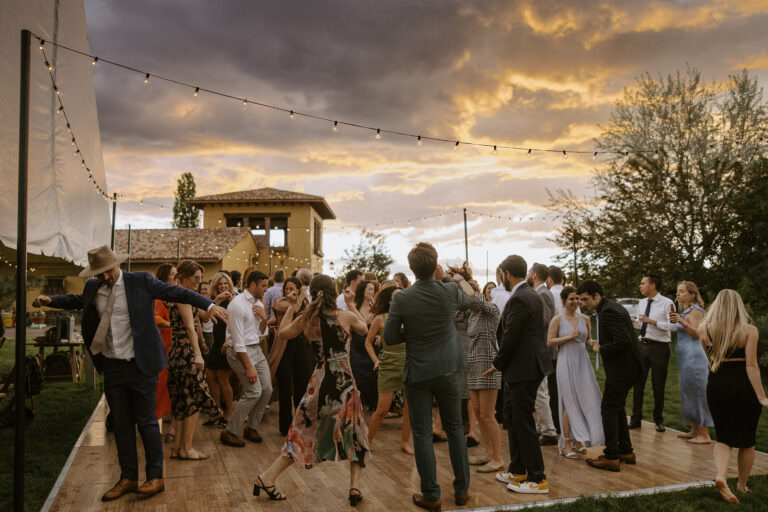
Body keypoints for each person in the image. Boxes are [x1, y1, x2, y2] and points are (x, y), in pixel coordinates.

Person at [34, 246, 227, 501]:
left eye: (106, 271)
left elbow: (176, 291)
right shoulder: (94, 286)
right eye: (98, 273)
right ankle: (128, 478)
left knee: (147, 422)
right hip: (112, 365)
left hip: (141, 364)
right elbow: (77, 300)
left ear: (117, 265)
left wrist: (209, 303)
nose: (104, 277)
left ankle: (155, 477)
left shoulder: (141, 281)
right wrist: (51, 301)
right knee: (122, 424)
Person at [254, 274, 369, 507]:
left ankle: (267, 477)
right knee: (355, 432)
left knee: (301, 433)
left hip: (319, 382)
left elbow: (284, 332)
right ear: (333, 290)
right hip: (343, 383)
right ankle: (354, 487)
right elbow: (364, 328)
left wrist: (294, 308)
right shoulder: (344, 316)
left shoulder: (307, 319)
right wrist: (352, 305)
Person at [385, 243, 481, 510]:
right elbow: (471, 296)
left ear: (412, 268)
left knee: (423, 433)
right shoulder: (449, 290)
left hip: (418, 372)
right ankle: (462, 491)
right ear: (435, 265)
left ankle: (431, 495)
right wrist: (447, 278)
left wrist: (412, 333)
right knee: (455, 429)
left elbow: (390, 338)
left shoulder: (402, 298)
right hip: (449, 369)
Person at [484, 255, 552, 495]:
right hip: (523, 366)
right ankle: (518, 469)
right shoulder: (529, 294)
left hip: (524, 367)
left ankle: (537, 477)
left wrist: (497, 363)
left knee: (523, 421)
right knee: (512, 416)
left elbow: (511, 335)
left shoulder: (521, 298)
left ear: (506, 273)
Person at [698, 289, 768, 504]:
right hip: (743, 386)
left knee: (723, 437)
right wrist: (762, 396)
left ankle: (720, 476)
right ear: (739, 306)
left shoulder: (704, 329)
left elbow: (711, 362)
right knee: (747, 440)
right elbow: (752, 366)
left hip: (717, 385)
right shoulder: (749, 331)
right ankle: (742, 484)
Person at [577, 280, 643, 472]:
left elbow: (622, 341)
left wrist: (601, 348)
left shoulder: (608, 312)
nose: (583, 303)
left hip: (624, 368)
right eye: (581, 300)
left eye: (586, 299)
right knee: (617, 407)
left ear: (597, 295)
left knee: (608, 408)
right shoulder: (612, 307)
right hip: (630, 367)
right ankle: (625, 451)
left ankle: (612, 456)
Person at [167, 260, 224, 460]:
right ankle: (187, 448)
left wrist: (215, 302)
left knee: (183, 401)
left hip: (179, 351)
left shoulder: (183, 296)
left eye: (200, 279)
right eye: (196, 279)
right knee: (193, 399)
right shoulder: (182, 297)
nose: (198, 283)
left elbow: (204, 316)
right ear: (184, 278)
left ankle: (178, 448)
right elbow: (191, 328)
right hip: (186, 351)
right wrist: (198, 353)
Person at [547, 286, 604, 458]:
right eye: (572, 299)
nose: (575, 302)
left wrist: (594, 343)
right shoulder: (557, 319)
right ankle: (566, 444)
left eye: (578, 299)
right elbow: (550, 342)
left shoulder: (585, 318)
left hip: (582, 362)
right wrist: (568, 337)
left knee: (586, 399)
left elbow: (587, 339)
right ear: (564, 300)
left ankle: (582, 440)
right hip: (565, 361)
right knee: (569, 401)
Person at [220, 270, 272, 447]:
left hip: (256, 349)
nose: (266, 289)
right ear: (252, 285)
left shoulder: (259, 303)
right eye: (263, 286)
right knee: (253, 391)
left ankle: (251, 427)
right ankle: (230, 431)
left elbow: (261, 335)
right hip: (238, 352)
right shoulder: (237, 305)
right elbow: (238, 341)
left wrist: (264, 319)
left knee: (267, 389)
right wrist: (248, 366)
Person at [364, 285, 412, 454]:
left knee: (409, 407)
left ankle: (405, 442)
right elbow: (367, 342)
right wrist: (376, 360)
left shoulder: (409, 317)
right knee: (382, 409)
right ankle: (367, 442)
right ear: (390, 300)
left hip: (408, 364)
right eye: (397, 296)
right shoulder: (380, 319)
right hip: (388, 366)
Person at [465, 280, 503, 473]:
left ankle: (497, 458)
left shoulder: (491, 310)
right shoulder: (471, 315)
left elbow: (477, 300)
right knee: (479, 414)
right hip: (472, 366)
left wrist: (459, 279)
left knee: (488, 415)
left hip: (488, 364)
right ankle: (488, 454)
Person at [268, 276, 314, 435]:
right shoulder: (280, 302)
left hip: (302, 348)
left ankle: (300, 424)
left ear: (298, 289)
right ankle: (285, 427)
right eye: (286, 289)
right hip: (284, 350)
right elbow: (289, 307)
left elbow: (307, 312)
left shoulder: (306, 303)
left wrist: (301, 298)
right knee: (285, 388)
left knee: (302, 387)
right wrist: (298, 298)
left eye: (291, 289)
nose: (288, 292)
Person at [669, 281, 713, 444]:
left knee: (698, 393)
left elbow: (697, 334)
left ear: (692, 294)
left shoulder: (695, 311)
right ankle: (694, 430)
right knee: (689, 392)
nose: (678, 295)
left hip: (695, 358)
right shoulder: (687, 311)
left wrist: (681, 321)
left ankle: (704, 434)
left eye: (681, 291)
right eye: (677, 291)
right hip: (686, 357)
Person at [630, 274, 675, 432]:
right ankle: (636, 419)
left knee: (658, 385)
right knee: (638, 384)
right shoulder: (641, 303)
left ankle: (658, 420)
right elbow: (641, 325)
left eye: (643, 283)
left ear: (653, 285)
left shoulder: (667, 303)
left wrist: (653, 321)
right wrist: (633, 322)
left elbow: (673, 327)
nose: (640, 286)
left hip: (659, 348)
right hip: (642, 346)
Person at [529, 263, 558, 444]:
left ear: (534, 275)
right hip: (539, 348)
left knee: (541, 390)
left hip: (542, 348)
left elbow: (545, 319)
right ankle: (542, 427)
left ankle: (548, 431)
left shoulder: (543, 294)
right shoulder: (541, 293)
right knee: (539, 390)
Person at [205, 272, 236, 424]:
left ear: (229, 285)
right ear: (216, 287)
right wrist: (216, 300)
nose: (223, 286)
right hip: (217, 342)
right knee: (210, 376)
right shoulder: (213, 301)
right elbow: (206, 317)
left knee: (223, 378)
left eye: (225, 284)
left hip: (228, 341)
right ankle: (216, 410)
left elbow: (235, 321)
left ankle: (229, 412)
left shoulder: (234, 300)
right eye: (220, 284)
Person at [153, 263, 176, 440]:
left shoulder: (176, 294)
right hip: (161, 344)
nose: (176, 278)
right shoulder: (157, 296)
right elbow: (156, 318)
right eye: (173, 275)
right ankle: (156, 423)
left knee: (173, 386)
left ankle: (172, 426)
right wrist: (173, 324)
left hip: (174, 344)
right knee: (160, 385)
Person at [349, 279, 379, 410]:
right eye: (369, 289)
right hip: (356, 342)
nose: (372, 292)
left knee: (371, 374)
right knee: (358, 373)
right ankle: (361, 402)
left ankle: (372, 403)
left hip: (371, 343)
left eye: (373, 289)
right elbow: (361, 323)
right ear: (363, 291)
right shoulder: (354, 305)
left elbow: (380, 325)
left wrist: (379, 336)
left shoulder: (377, 307)